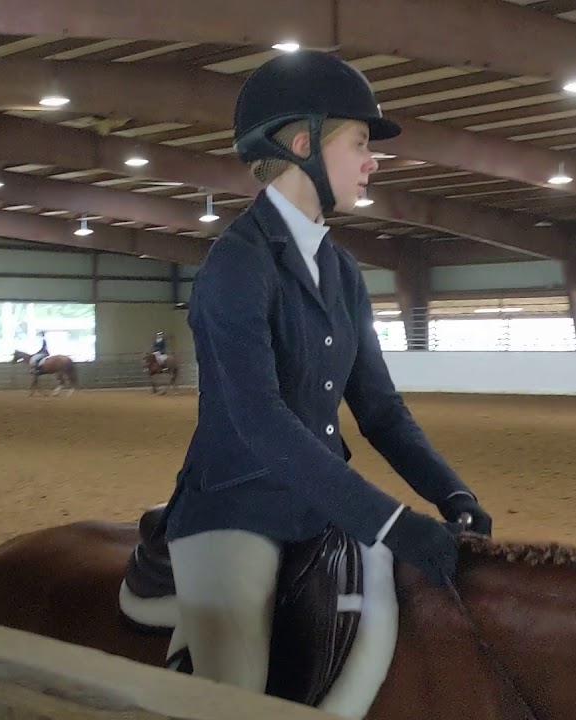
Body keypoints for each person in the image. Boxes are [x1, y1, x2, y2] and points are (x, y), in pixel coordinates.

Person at [150, 50, 492, 697]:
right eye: (360, 143)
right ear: (303, 145)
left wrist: (453, 495)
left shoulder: (342, 271)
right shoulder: (235, 265)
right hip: (235, 508)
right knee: (237, 690)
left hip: (322, 504)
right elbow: (260, 422)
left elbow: (380, 410)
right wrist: (388, 521)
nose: (372, 162)